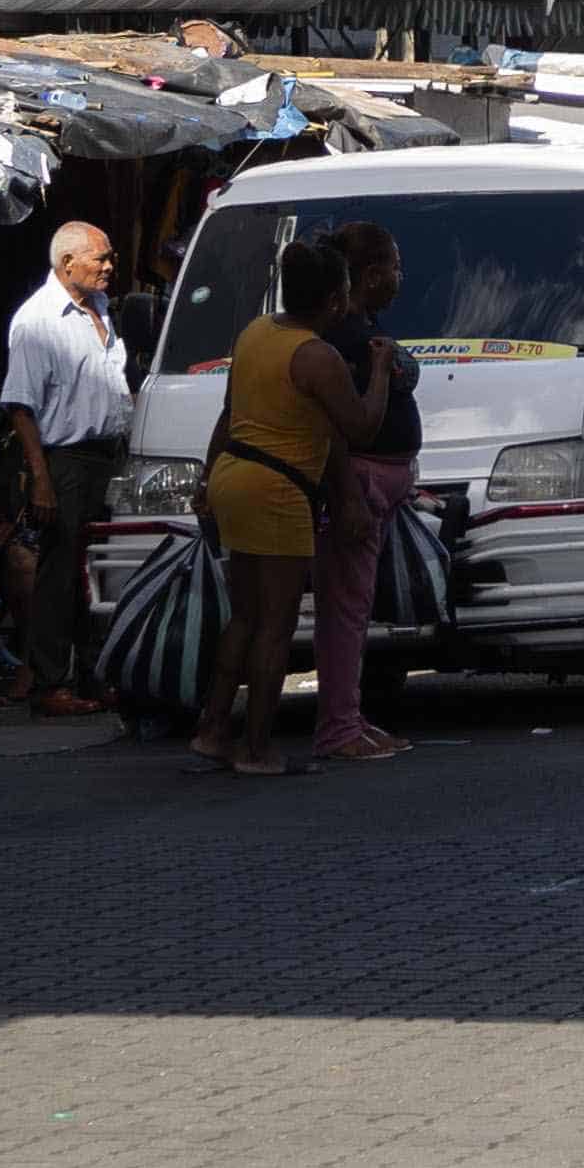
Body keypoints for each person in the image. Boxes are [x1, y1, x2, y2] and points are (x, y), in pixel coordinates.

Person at [194, 233, 372, 782]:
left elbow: (229, 413)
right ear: (336, 300)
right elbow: (360, 426)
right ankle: (256, 748)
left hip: (233, 474)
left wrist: (206, 476)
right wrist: (385, 374)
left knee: (244, 618)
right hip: (278, 490)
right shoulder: (319, 357)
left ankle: (213, 731)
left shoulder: (255, 333)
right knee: (275, 625)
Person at [0, 219, 134, 717]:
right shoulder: (38, 321)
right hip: (66, 462)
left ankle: (96, 676)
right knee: (59, 576)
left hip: (106, 458)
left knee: (95, 574)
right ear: (67, 263)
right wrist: (42, 480)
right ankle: (51, 683)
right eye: (102, 259)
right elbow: (20, 406)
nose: (110, 267)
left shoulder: (98, 307)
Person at [300, 226, 421, 768]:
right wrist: (350, 494)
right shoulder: (343, 341)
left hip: (373, 490)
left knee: (353, 608)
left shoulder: (361, 331)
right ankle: (338, 727)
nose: (400, 277)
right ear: (370, 276)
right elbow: (337, 428)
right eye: (395, 266)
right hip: (356, 492)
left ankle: (348, 716)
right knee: (343, 612)